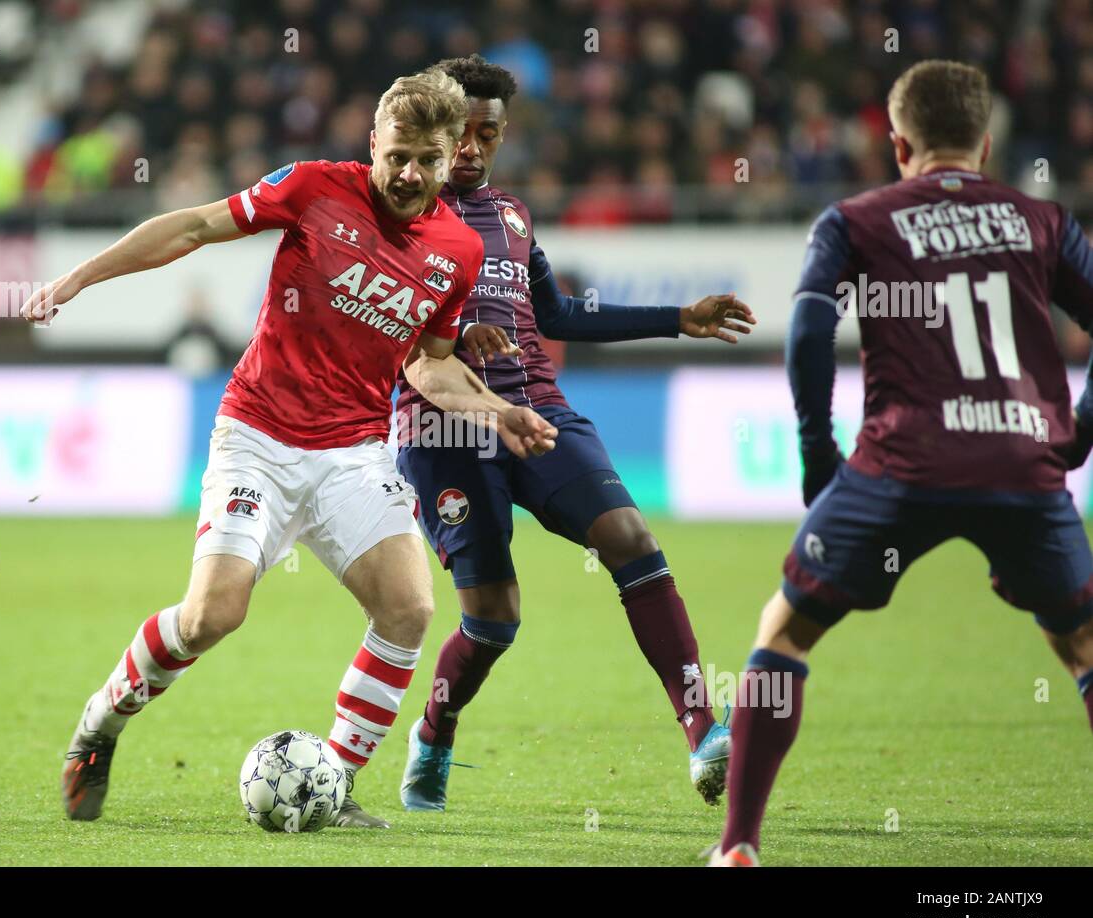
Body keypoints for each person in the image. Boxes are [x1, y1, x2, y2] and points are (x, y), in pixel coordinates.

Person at [20, 69, 558, 829]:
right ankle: (99, 724)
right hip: (259, 436)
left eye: (428, 161)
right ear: (374, 143)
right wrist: (81, 277)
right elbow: (196, 226)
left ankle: (331, 785)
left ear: (450, 159)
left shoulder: (458, 250)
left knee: (408, 608)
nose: (410, 174)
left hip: (354, 452)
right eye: (397, 155)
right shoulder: (312, 189)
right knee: (213, 615)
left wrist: (499, 410)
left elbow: (428, 362)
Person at [711, 60, 1093, 866]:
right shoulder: (1045, 221)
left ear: (897, 143)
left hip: (898, 465)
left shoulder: (856, 219)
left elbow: (811, 331)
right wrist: (1076, 437)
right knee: (1084, 648)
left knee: (784, 634)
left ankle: (739, 846)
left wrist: (819, 455)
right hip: (1024, 462)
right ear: (986, 145)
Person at [395, 56, 756, 812]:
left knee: (629, 535)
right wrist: (460, 329)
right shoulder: (396, 211)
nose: (470, 149)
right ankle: (434, 727)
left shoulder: (515, 216)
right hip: (445, 427)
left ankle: (702, 725)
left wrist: (673, 321)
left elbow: (555, 316)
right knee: (493, 618)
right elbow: (391, 324)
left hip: (540, 408)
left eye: (486, 134)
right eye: (459, 132)